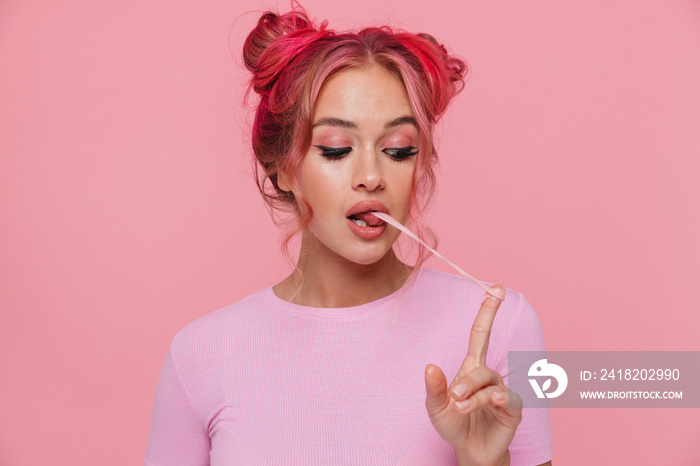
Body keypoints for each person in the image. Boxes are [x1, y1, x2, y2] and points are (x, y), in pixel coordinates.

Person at [144, 5, 552, 465]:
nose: (371, 176)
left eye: (398, 150)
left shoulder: (503, 325)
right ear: (284, 169)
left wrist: (486, 464)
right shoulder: (198, 356)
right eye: (336, 150)